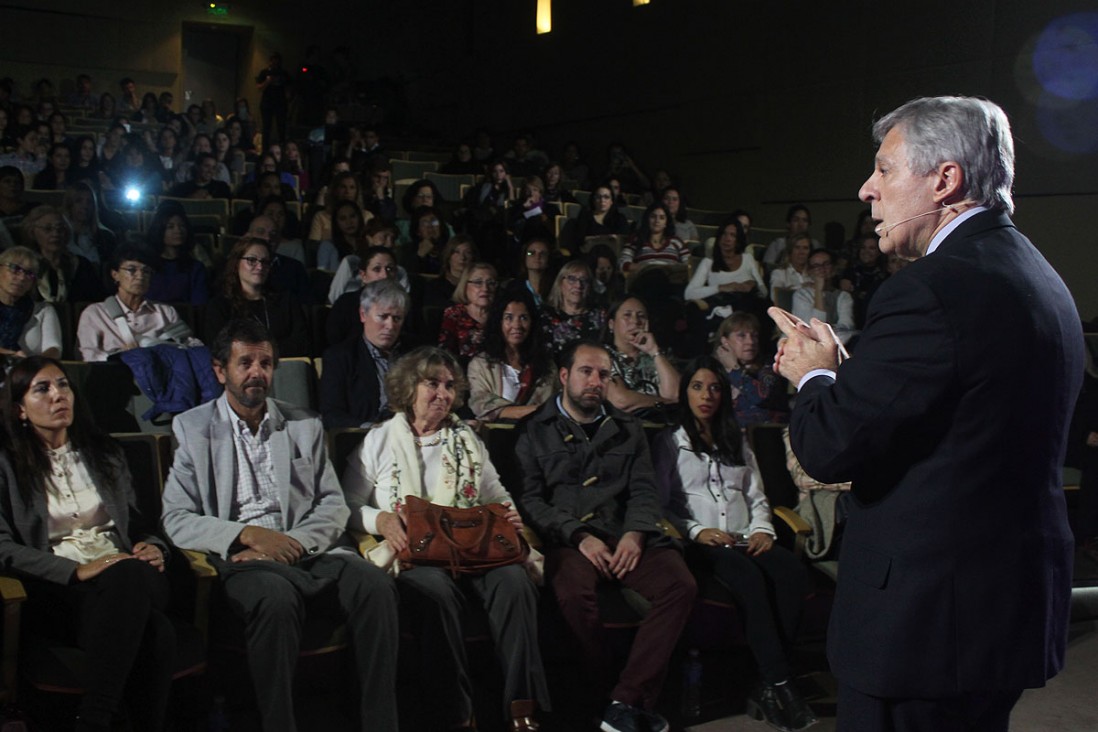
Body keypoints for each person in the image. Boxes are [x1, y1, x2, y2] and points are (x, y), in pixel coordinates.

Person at [769, 96, 1083, 732]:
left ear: (945, 178)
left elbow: (829, 446)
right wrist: (860, 378)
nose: (866, 190)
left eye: (884, 170)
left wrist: (817, 375)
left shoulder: (930, 289)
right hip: (1000, 611)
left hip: (924, 627)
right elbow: (959, 417)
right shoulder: (1039, 276)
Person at [160, 319, 399, 732]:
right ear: (220, 371)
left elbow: (331, 503)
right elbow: (176, 518)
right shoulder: (193, 428)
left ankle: (380, 721)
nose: (258, 372)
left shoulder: (304, 423)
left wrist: (291, 542)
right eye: (246, 362)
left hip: (307, 549)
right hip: (243, 559)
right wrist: (251, 536)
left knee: (376, 585)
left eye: (266, 363)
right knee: (275, 596)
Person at [342, 346, 549, 730]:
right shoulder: (380, 440)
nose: (443, 393)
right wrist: (382, 519)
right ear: (408, 388)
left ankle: (521, 707)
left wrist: (509, 514)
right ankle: (456, 714)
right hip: (419, 555)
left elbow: (496, 493)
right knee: (433, 592)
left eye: (450, 386)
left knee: (516, 583)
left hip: (473, 548)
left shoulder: (467, 438)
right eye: (432, 384)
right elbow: (348, 504)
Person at [515, 339, 697, 732]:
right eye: (586, 372)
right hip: (570, 540)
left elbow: (645, 490)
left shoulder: (629, 428)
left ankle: (624, 700)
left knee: (679, 584)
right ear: (564, 376)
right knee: (571, 595)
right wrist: (578, 535)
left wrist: (636, 533)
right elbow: (530, 501)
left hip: (624, 533)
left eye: (603, 374)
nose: (595, 381)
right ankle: (604, 695)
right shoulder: (534, 430)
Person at [0, 356, 174, 731]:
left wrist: (153, 546)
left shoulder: (106, 454)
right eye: (42, 389)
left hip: (128, 576)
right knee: (158, 635)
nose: (58, 395)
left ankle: (94, 718)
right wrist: (75, 570)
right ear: (20, 410)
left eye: (63, 385)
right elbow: (2, 548)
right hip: (59, 589)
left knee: (129, 573)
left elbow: (143, 525)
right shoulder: (7, 466)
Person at [653, 358, 815, 731]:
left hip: (746, 535)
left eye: (713, 388)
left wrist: (763, 530)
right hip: (705, 541)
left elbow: (757, 496)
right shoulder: (670, 441)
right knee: (748, 577)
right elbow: (662, 505)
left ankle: (766, 682)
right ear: (685, 393)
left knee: (791, 572)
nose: (706, 396)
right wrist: (695, 531)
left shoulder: (735, 437)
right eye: (697, 387)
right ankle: (781, 684)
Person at [77, 247, 203, 361]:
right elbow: (89, 355)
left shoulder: (165, 312)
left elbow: (192, 346)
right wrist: (118, 357)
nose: (140, 276)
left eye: (146, 271)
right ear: (115, 275)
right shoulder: (95, 313)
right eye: (131, 270)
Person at [320, 278, 409, 429]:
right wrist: (370, 428)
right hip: (366, 439)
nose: (390, 326)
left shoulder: (416, 354)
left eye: (397, 318)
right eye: (383, 316)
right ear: (363, 314)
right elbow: (332, 415)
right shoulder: (340, 357)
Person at [204, 237, 310, 357]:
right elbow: (220, 348)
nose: (260, 267)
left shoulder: (287, 301)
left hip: (284, 369)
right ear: (236, 263)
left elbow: (302, 343)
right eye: (252, 260)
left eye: (265, 262)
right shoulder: (220, 306)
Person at [467, 287, 556, 421]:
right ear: (499, 322)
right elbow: (481, 405)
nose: (517, 325)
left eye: (524, 318)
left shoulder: (546, 365)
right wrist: (536, 410)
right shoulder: (481, 364)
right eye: (509, 317)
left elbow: (553, 407)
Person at [605, 296, 680, 414]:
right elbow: (621, 400)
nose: (635, 321)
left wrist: (654, 351)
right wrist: (665, 403)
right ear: (611, 324)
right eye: (627, 315)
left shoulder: (659, 355)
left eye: (641, 316)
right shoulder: (602, 355)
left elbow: (676, 394)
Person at [713, 313, 789, 425]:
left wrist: (735, 369)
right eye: (742, 336)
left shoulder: (769, 366)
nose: (751, 342)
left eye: (754, 336)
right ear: (725, 341)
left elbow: (762, 397)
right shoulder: (714, 370)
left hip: (768, 434)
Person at [22, 205, 103, 304]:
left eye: (60, 229)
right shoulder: (24, 266)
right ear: (32, 232)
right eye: (48, 229)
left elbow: (97, 301)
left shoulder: (81, 265)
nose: (55, 234)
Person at [539, 259, 607, 361]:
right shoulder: (544, 315)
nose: (578, 285)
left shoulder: (600, 316)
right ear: (560, 283)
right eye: (572, 279)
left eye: (584, 280)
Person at [0, 247, 61, 360]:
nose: (22, 277)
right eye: (15, 268)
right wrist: (11, 356)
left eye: (29, 273)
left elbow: (54, 348)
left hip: (28, 373)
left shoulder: (43, 310)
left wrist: (32, 367)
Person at [144, 201, 210, 305]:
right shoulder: (147, 266)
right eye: (170, 227)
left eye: (182, 226)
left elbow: (199, 305)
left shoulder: (195, 268)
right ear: (160, 230)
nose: (178, 230)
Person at [437, 262, 497, 364]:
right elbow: (445, 353)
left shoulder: (501, 314)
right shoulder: (454, 313)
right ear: (465, 286)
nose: (485, 289)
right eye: (478, 282)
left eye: (491, 283)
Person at [791, 248, 855, 345]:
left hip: (839, 340)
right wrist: (818, 292)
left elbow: (847, 326)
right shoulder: (801, 295)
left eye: (826, 264)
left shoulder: (843, 296)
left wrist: (827, 328)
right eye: (816, 266)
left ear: (833, 268)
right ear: (810, 271)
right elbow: (815, 329)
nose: (822, 269)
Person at [618, 202, 689, 273]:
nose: (657, 221)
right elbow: (623, 263)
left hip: (671, 280)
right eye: (653, 216)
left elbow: (689, 265)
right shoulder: (636, 239)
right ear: (647, 219)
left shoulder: (676, 242)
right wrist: (647, 268)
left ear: (666, 223)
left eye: (662, 218)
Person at [256, 53, 290, 147]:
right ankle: (265, 148)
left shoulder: (284, 73)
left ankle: (282, 147)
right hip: (267, 103)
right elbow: (259, 87)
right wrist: (267, 81)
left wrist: (288, 97)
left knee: (281, 127)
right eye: (273, 62)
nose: (275, 64)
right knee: (266, 127)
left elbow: (289, 88)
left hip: (280, 103)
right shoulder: (264, 72)